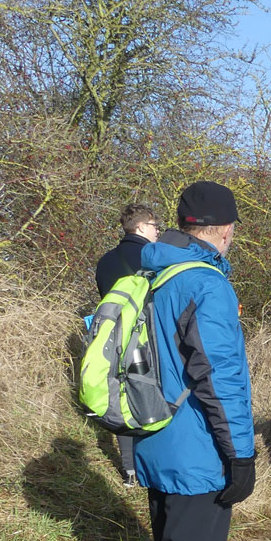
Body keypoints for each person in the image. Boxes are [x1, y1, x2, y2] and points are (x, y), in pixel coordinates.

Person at [134, 181, 253, 541]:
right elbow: (220, 379)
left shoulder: (154, 271)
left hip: (155, 436)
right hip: (198, 450)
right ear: (224, 229)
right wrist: (241, 456)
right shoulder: (207, 284)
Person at [95, 203, 160, 487]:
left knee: (120, 390)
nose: (158, 231)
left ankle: (129, 470)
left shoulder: (105, 261)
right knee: (147, 391)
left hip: (113, 335)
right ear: (142, 227)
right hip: (147, 336)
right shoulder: (154, 257)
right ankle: (150, 464)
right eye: (155, 226)